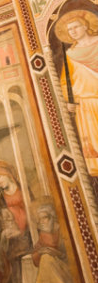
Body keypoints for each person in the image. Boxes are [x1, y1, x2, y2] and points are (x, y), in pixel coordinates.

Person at [55, 10, 98, 176]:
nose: (73, 31)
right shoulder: (70, 54)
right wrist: (67, 101)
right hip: (85, 105)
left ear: (85, 26)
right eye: (70, 29)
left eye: (75, 27)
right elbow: (66, 82)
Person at [32, 201, 76, 283]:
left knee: (47, 259)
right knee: (46, 258)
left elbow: (74, 256)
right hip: (54, 269)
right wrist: (40, 252)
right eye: (39, 219)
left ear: (52, 217)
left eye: (44, 217)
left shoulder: (63, 231)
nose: (42, 221)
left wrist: (57, 254)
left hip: (69, 272)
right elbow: (35, 257)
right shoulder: (44, 234)